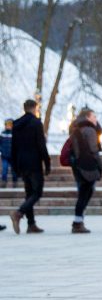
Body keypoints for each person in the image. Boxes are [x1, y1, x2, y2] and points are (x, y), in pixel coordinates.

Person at [10, 99, 51, 234]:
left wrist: (15, 165)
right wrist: (47, 163)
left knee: (29, 194)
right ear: (34, 108)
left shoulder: (16, 124)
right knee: (37, 192)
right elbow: (41, 145)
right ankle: (19, 213)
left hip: (21, 163)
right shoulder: (35, 123)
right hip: (34, 163)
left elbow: (13, 147)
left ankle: (31, 224)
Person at [69, 108, 102, 233]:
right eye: (94, 116)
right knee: (85, 194)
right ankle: (77, 223)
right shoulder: (89, 130)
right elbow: (94, 149)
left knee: (83, 193)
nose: (96, 119)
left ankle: (78, 221)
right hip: (88, 166)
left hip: (78, 165)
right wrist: (99, 165)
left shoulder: (76, 128)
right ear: (88, 117)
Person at [1, 118, 16, 188]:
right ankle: (4, 182)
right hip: (5, 156)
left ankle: (15, 182)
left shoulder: (15, 134)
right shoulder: (3, 134)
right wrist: (2, 150)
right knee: (4, 169)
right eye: (7, 125)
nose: (8, 126)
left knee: (14, 170)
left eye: (10, 125)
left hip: (13, 156)